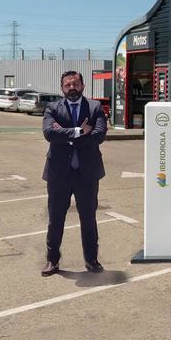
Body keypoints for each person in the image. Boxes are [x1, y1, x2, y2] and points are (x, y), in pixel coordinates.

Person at [40, 71, 108, 276]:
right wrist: (79, 131)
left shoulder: (95, 107)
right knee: (55, 219)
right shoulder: (52, 107)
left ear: (83, 86)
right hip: (58, 174)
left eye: (76, 84)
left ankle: (91, 260)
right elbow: (49, 133)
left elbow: (99, 135)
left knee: (88, 218)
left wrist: (65, 135)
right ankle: (52, 261)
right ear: (62, 88)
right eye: (68, 84)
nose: (72, 87)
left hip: (87, 174)